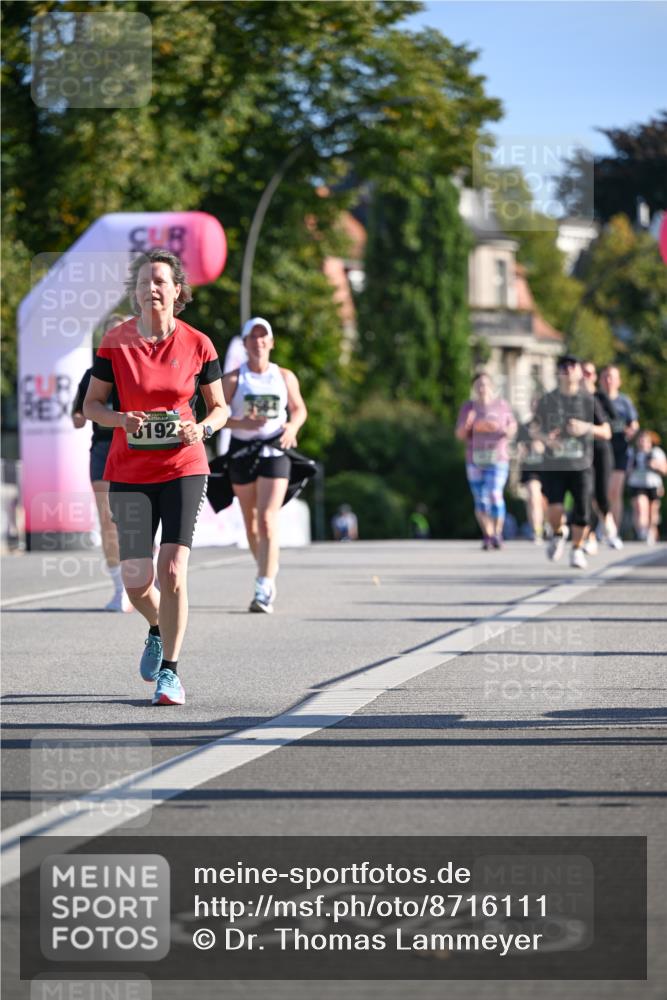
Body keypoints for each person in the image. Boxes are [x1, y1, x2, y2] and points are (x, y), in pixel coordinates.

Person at [83, 249, 227, 706]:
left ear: (178, 290)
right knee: (135, 581)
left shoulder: (199, 343)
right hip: (128, 470)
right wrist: (121, 419)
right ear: (136, 291)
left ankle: (171, 673)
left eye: (161, 281)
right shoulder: (115, 341)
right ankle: (155, 628)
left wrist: (201, 427)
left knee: (171, 571)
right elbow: (91, 406)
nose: (152, 288)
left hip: (184, 466)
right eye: (145, 282)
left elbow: (220, 407)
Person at [221, 317, 307, 613]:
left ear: (271, 342)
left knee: (268, 519)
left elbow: (298, 409)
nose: (258, 341)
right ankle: (266, 567)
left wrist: (292, 428)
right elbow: (215, 416)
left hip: (275, 449)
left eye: (263, 336)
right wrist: (240, 422)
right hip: (242, 451)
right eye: (252, 337)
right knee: (251, 520)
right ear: (244, 344)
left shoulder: (284, 376)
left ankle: (264, 585)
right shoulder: (233, 379)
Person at [72, 313, 132, 612]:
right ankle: (119, 587)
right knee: (108, 521)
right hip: (102, 449)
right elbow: (78, 417)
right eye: (109, 336)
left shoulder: (137, 373)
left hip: (134, 449)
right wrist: (82, 415)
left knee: (138, 517)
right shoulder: (91, 375)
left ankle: (147, 574)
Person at [533, 355, 611, 569]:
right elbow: (534, 429)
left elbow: (606, 431)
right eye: (563, 366)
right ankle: (558, 533)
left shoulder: (589, 400)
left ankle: (576, 549)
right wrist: (547, 439)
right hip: (554, 465)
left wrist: (585, 428)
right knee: (555, 509)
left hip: (582, 465)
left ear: (579, 372)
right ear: (558, 372)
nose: (567, 370)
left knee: (582, 511)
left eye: (572, 366)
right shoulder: (548, 400)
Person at [455, 372, 517, 550]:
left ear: (491, 386)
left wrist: (503, 429)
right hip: (475, 458)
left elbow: (512, 427)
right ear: (474, 388)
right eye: (478, 385)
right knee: (480, 499)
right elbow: (459, 434)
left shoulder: (501, 405)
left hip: (498, 457)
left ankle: (497, 532)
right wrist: (467, 424)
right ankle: (488, 535)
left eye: (485, 384)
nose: (482, 388)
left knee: (495, 494)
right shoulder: (468, 408)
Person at [581, 361, 623, 552]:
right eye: (583, 372)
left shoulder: (600, 397)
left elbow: (615, 422)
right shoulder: (571, 398)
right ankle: (589, 537)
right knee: (585, 494)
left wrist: (598, 428)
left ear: (594, 376)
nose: (586, 376)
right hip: (582, 454)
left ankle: (609, 525)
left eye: (590, 373)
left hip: (602, 449)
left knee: (602, 495)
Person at [599, 365, 639, 533]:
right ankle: (603, 523)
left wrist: (632, 431)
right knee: (600, 491)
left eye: (612, 377)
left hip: (620, 450)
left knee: (615, 492)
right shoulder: (596, 400)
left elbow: (634, 424)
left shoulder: (624, 401)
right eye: (606, 377)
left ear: (619, 381)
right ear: (600, 380)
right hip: (600, 449)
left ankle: (613, 530)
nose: (609, 380)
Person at [626, 430, 667, 543]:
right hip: (637, 484)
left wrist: (655, 465)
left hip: (653, 484)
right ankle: (642, 531)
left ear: (650, 442)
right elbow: (626, 471)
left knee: (652, 511)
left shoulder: (657, 452)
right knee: (640, 506)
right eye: (641, 439)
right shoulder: (632, 453)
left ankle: (651, 531)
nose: (643, 442)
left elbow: (665, 470)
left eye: (645, 440)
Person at [515, 406, 546, 544]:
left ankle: (549, 525)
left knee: (545, 501)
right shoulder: (525, 426)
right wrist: (523, 449)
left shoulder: (551, 424)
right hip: (531, 468)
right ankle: (536, 531)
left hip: (549, 468)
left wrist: (543, 445)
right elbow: (518, 446)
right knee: (533, 497)